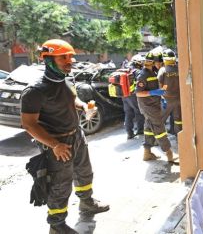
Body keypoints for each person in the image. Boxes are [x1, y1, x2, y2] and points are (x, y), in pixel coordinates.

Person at [21, 39, 109, 234]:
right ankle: (57, 225)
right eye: (63, 57)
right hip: (57, 144)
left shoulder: (66, 80)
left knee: (84, 172)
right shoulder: (35, 90)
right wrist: (54, 145)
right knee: (60, 185)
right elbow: (29, 124)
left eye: (70, 57)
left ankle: (87, 203)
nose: (69, 61)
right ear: (49, 59)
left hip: (77, 136)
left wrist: (84, 106)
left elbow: (72, 98)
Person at [135, 51, 177, 162]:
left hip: (153, 104)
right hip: (148, 106)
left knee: (149, 128)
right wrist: (153, 93)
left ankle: (147, 153)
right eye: (159, 63)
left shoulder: (152, 73)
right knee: (159, 128)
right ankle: (169, 153)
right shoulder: (143, 75)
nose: (161, 64)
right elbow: (138, 93)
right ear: (153, 62)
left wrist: (160, 96)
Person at [158, 49, 183, 136]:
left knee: (160, 120)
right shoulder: (180, 68)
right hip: (179, 99)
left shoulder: (163, 70)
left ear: (165, 59)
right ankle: (179, 137)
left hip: (166, 100)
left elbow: (160, 85)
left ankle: (158, 140)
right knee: (178, 120)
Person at [123, 54, 145, 139]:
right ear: (138, 62)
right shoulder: (137, 71)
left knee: (128, 113)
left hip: (125, 95)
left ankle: (129, 133)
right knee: (138, 111)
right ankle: (140, 130)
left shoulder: (125, 69)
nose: (142, 63)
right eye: (141, 62)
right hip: (133, 95)